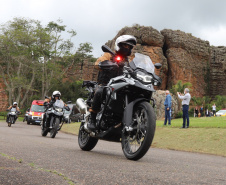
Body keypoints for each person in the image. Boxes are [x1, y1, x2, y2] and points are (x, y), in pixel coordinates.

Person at [88, 35, 137, 131]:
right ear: (119, 45)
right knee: (100, 91)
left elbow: (134, 70)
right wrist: (108, 64)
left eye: (129, 47)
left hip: (121, 85)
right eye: (125, 46)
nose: (127, 48)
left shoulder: (128, 61)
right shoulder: (109, 55)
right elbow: (98, 63)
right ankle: (92, 118)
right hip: (106, 83)